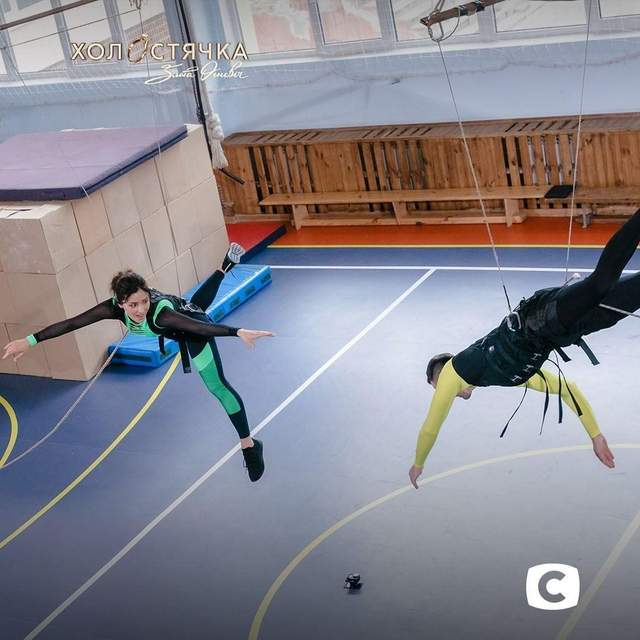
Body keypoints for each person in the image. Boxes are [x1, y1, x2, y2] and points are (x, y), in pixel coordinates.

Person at [408, 208, 640, 489]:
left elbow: (431, 426)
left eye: (437, 387)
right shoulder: (509, 374)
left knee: (599, 284)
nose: (445, 394)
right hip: (563, 331)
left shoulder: (454, 370)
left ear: (441, 375)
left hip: (543, 317)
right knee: (630, 296)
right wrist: (596, 435)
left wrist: (418, 463)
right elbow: (566, 389)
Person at [2, 243, 273, 482]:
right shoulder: (110, 308)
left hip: (192, 330)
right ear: (119, 304)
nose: (141, 309)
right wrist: (30, 340)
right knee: (192, 306)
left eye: (144, 301)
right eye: (133, 305)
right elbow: (73, 323)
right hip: (181, 316)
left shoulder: (160, 315)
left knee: (217, 385)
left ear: (148, 295)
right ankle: (225, 267)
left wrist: (237, 331)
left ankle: (249, 445)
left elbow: (200, 328)